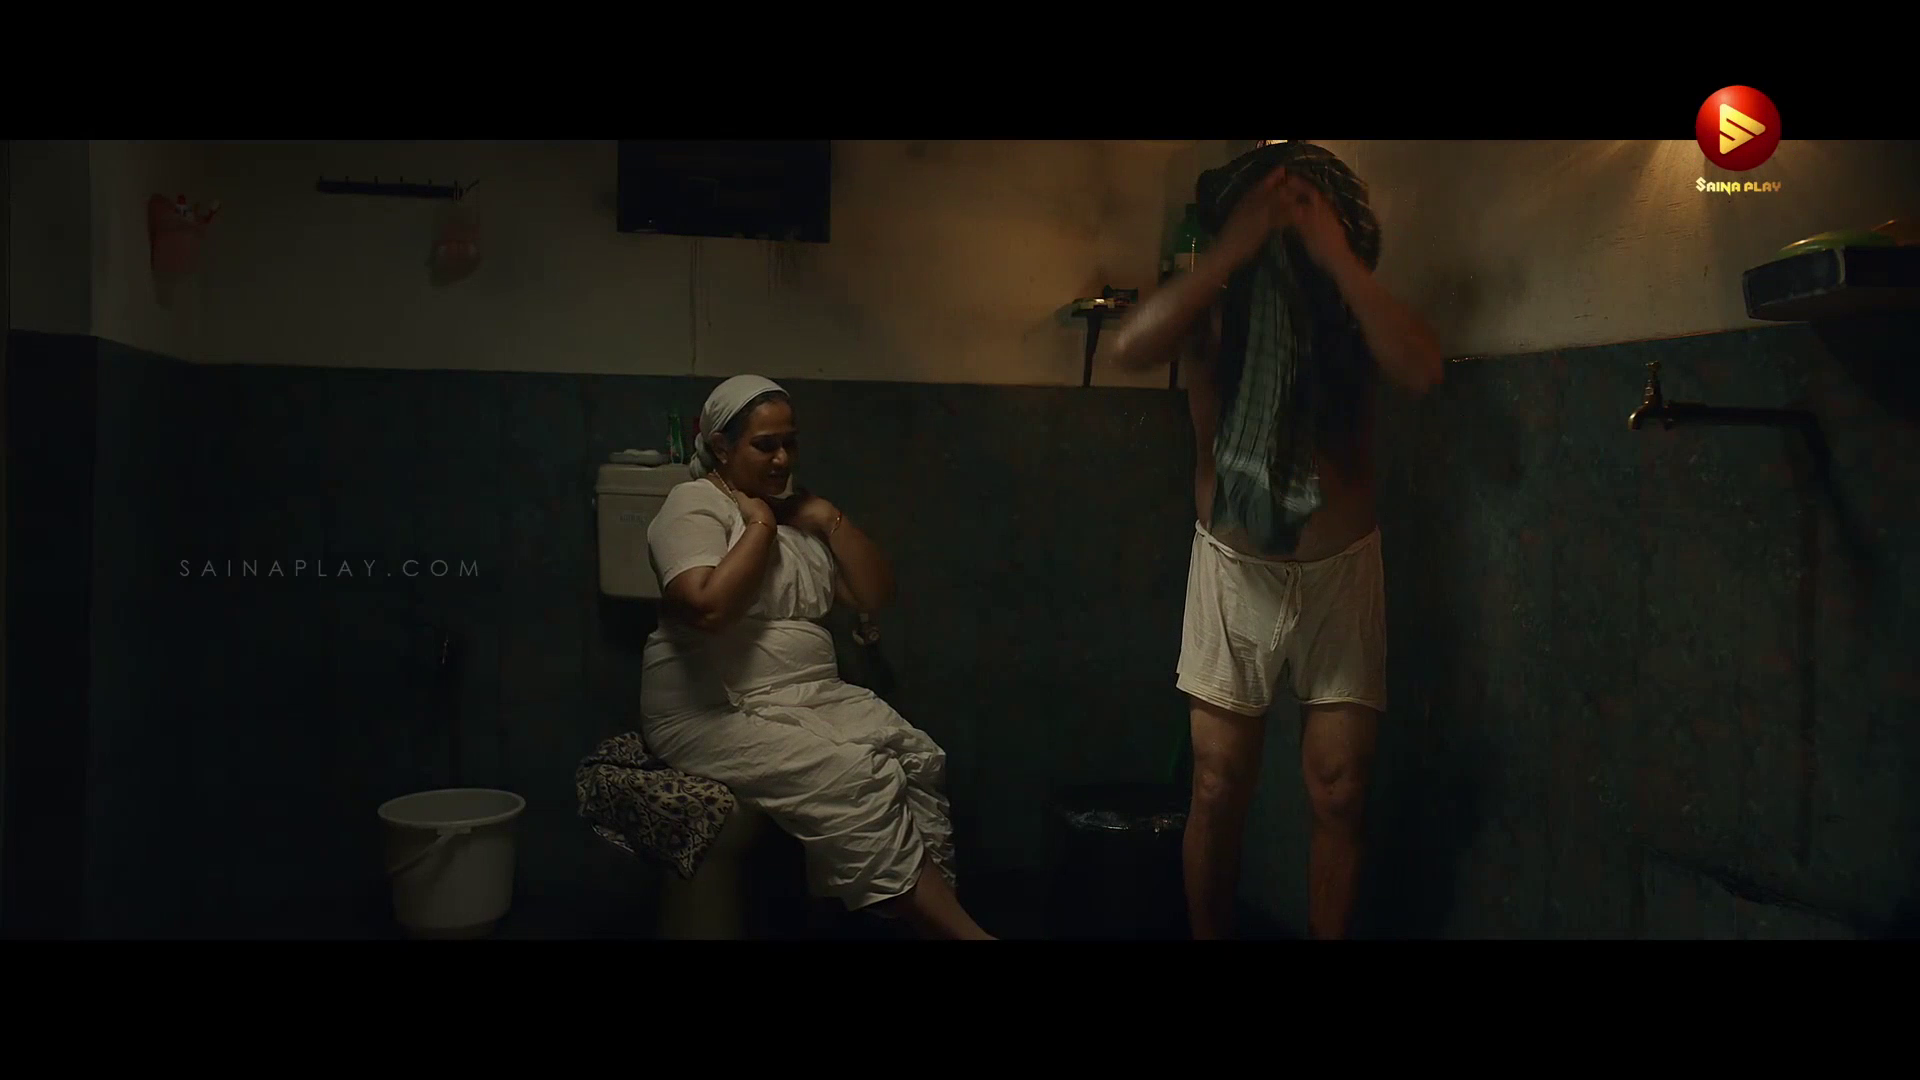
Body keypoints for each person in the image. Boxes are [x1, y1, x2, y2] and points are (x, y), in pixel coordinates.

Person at [1107, 142, 1444, 940]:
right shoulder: (1215, 309)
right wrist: (1234, 248)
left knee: (1340, 789)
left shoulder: (1348, 312)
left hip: (1340, 569)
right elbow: (1129, 347)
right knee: (1218, 785)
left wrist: (1335, 257)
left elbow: (1424, 368)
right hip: (1234, 568)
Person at [640, 374, 995, 940]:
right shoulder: (695, 504)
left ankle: (921, 924)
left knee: (913, 758)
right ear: (722, 446)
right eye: (765, 445)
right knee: (855, 776)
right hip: (709, 708)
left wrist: (829, 519)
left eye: (790, 442)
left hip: (804, 695)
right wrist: (759, 526)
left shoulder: (795, 511)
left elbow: (873, 594)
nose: (782, 458)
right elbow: (706, 608)